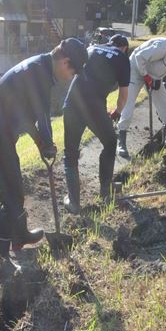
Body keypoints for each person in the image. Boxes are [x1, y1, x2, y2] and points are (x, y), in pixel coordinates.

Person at [0, 38, 87, 257]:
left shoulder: (39, 67)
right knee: (12, 195)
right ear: (65, 62)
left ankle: (19, 235)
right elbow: (42, 117)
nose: (71, 77)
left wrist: (40, 143)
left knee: (15, 189)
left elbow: (26, 119)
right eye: (73, 72)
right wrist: (48, 142)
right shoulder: (40, 75)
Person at [61, 34, 130, 213]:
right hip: (93, 108)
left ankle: (74, 202)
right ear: (124, 48)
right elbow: (123, 95)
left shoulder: (92, 49)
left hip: (71, 103)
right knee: (110, 142)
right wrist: (117, 112)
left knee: (70, 153)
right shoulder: (122, 57)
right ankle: (105, 191)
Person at [116, 38, 166, 158]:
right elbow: (140, 57)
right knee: (129, 104)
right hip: (135, 70)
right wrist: (145, 76)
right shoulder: (163, 47)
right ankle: (121, 142)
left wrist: (157, 79)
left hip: (152, 75)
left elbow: (161, 69)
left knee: (165, 102)